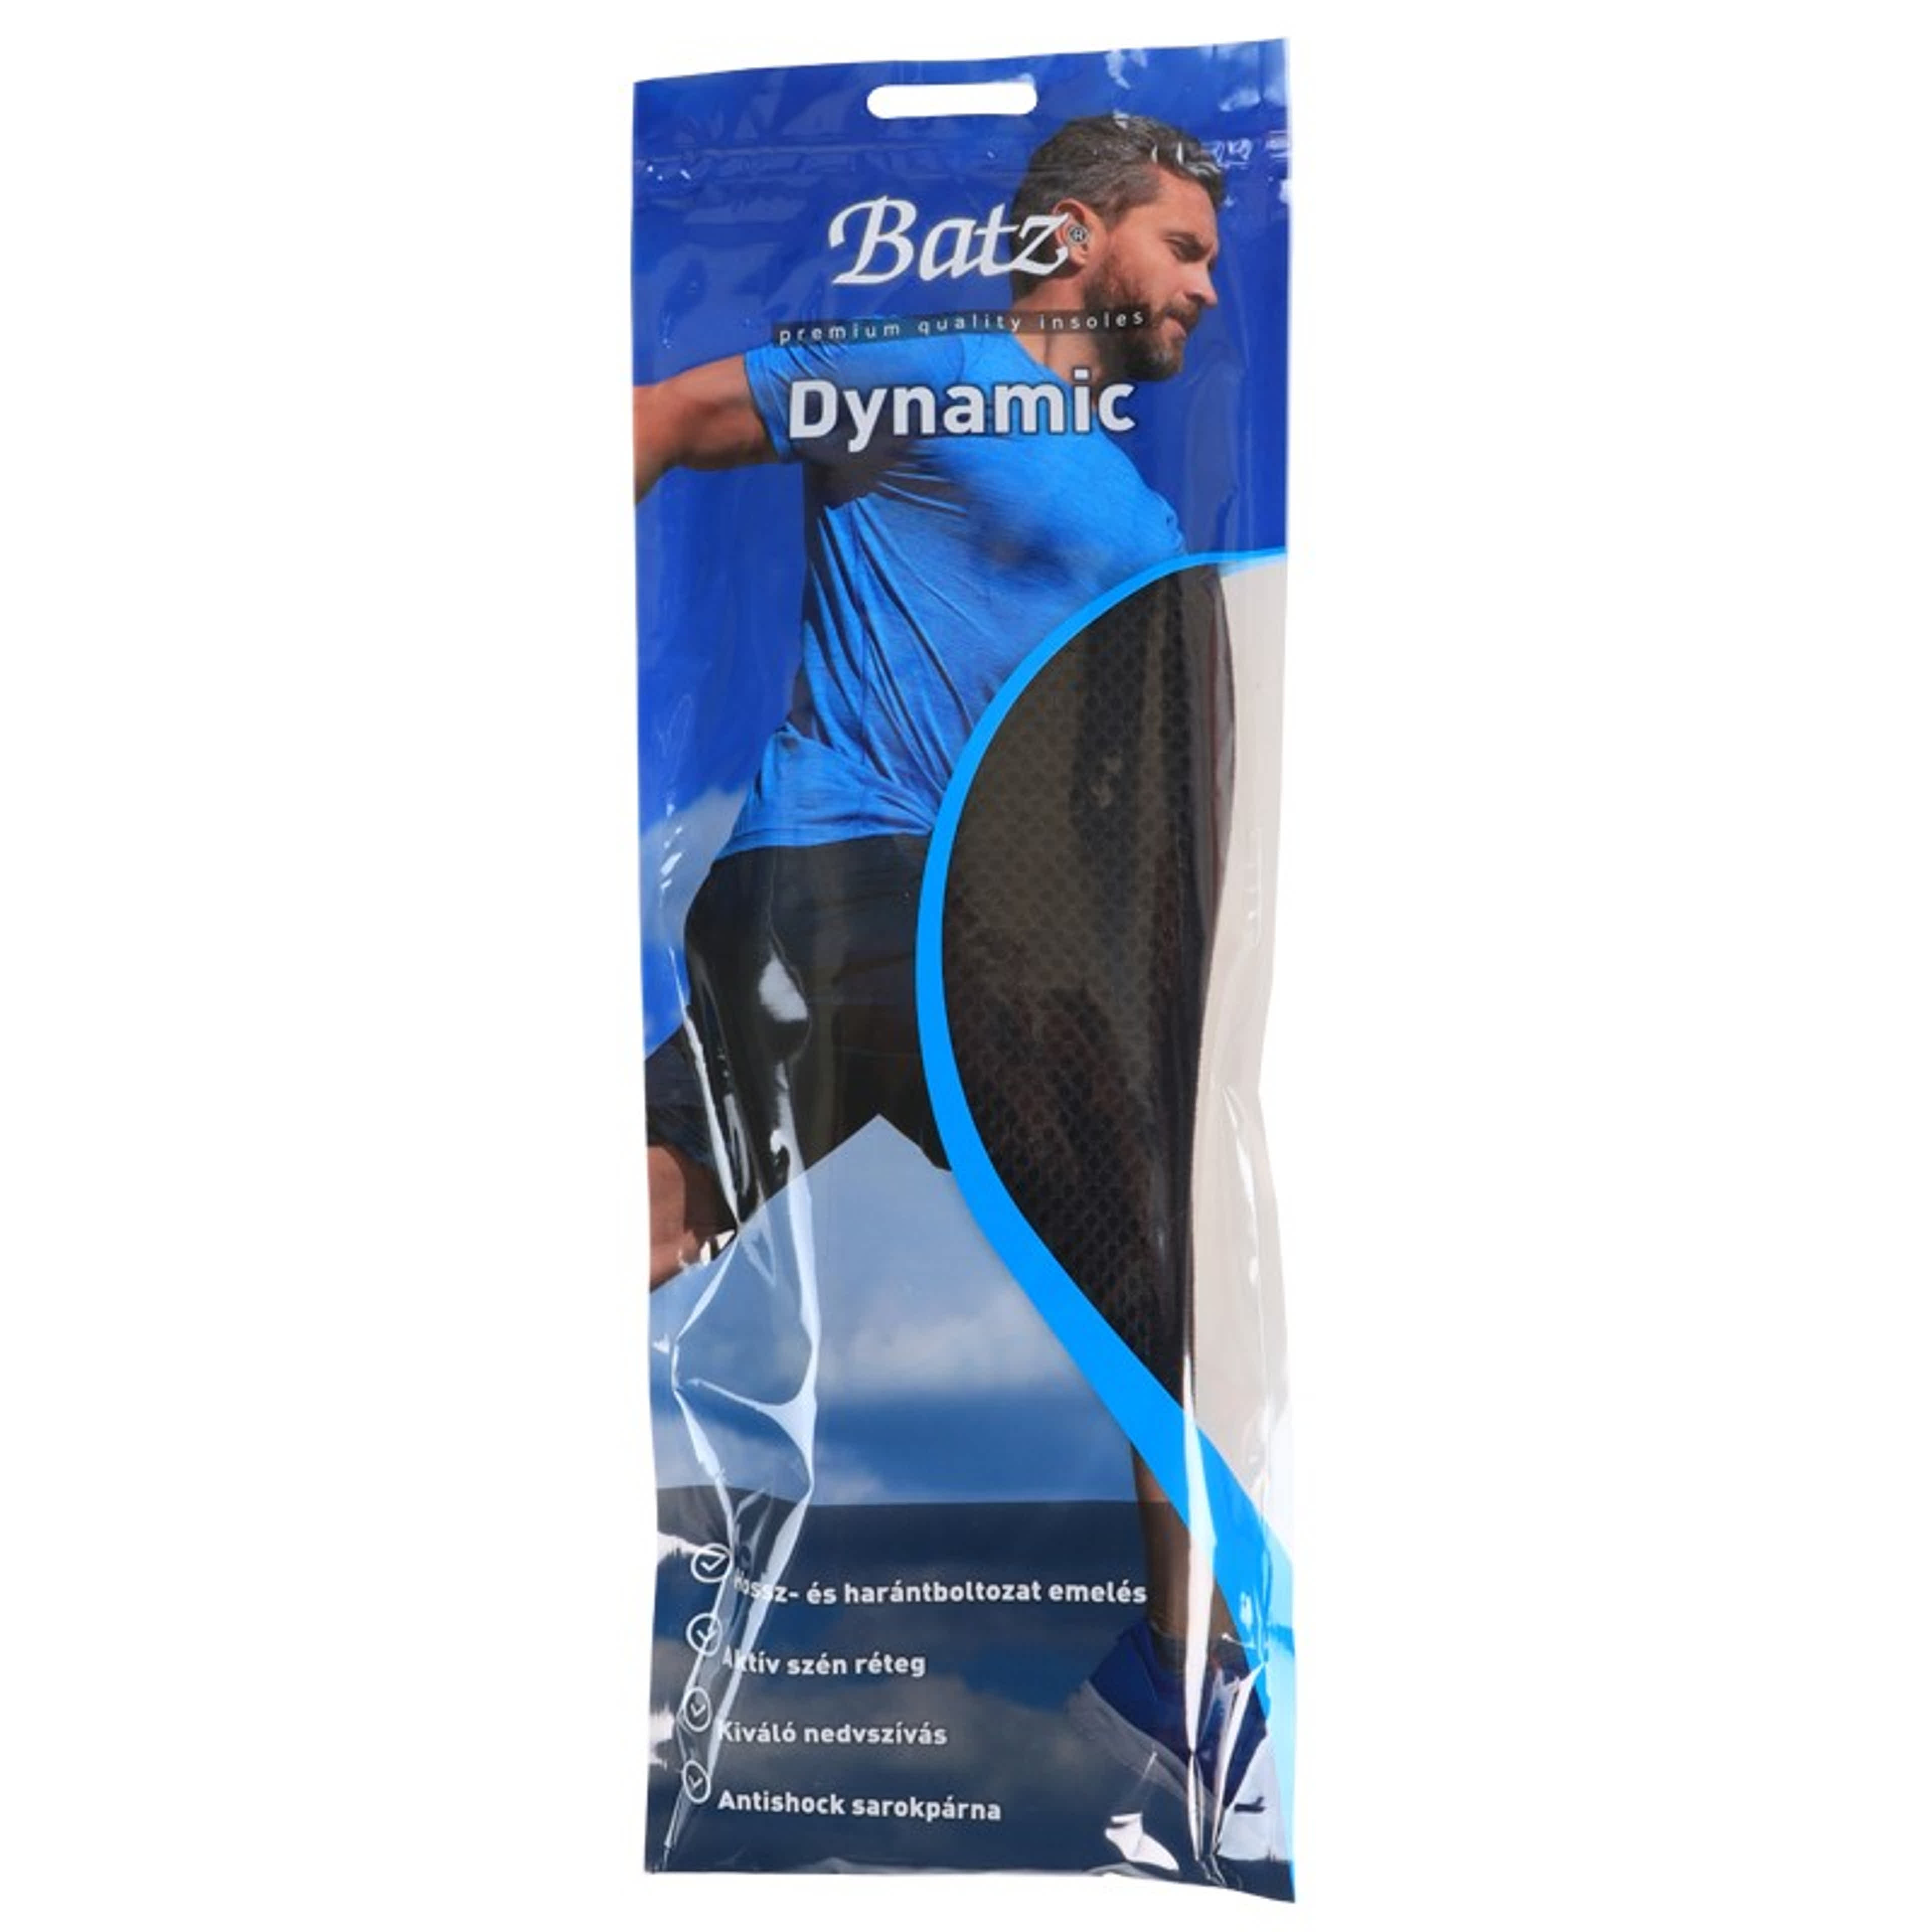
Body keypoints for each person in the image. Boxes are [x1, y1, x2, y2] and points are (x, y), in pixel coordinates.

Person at [637, 111, 1266, 1842]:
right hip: (852, 881)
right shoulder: (929, 364)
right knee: (1166, 1306)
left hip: (999, 933)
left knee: (1164, 1308)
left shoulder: (1140, 504)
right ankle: (1192, 1674)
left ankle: (1181, 1674)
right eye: (1185, 248)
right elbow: (664, 417)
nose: (1210, 292)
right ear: (1072, 238)